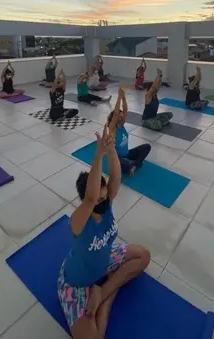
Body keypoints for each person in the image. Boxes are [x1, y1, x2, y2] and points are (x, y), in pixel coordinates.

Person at [57, 123, 150, 339]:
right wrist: (98, 156)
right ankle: (105, 302)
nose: (100, 200)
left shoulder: (107, 202)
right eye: (95, 199)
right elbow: (91, 198)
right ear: (85, 201)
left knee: (143, 255)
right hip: (76, 281)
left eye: (103, 194)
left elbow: (116, 178)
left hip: (104, 261)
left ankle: (103, 293)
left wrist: (110, 151)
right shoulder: (79, 220)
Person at [108, 87, 151, 176]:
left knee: (147, 147)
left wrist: (123, 97)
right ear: (114, 119)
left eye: (121, 115)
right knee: (125, 166)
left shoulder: (122, 124)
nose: (121, 117)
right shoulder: (112, 129)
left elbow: (125, 110)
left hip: (127, 154)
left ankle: (134, 165)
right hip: (118, 158)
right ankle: (133, 164)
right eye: (118, 116)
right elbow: (116, 113)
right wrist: (119, 97)